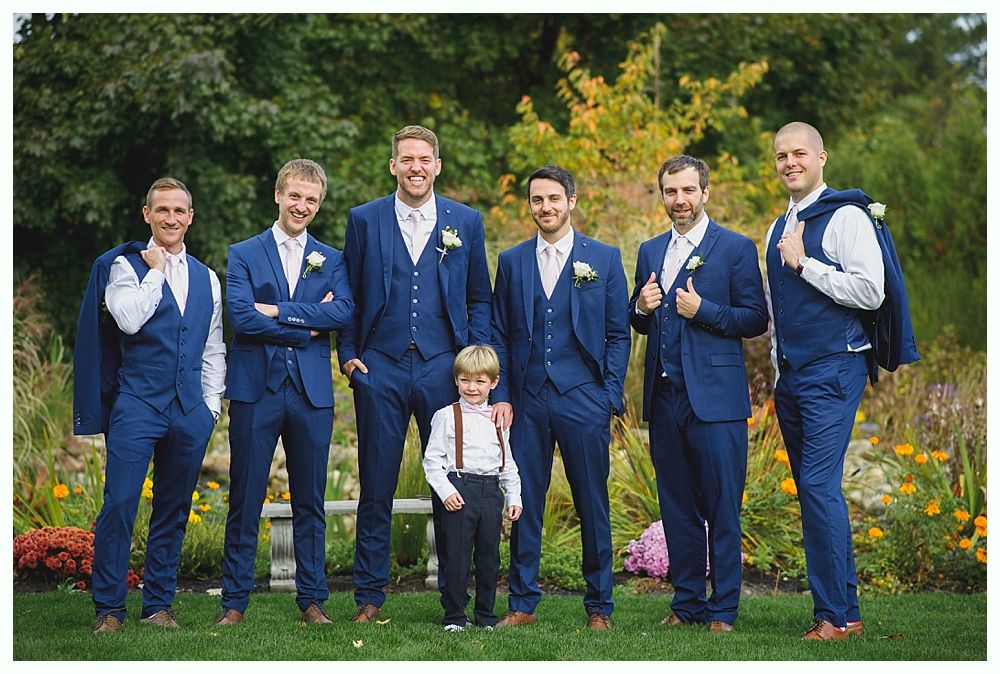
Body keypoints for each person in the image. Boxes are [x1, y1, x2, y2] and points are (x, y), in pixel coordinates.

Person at [337, 125, 493, 622]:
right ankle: (368, 596)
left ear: (437, 165)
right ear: (393, 166)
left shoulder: (464, 221)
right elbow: (350, 293)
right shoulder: (364, 219)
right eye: (406, 159)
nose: (416, 167)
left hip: (443, 367)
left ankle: (453, 602)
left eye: (424, 159)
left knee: (451, 484)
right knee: (375, 483)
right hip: (379, 365)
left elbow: (478, 297)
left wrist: (475, 361)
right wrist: (348, 353)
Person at [629, 155, 768, 633]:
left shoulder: (733, 248)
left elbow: (754, 319)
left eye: (688, 190)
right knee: (677, 507)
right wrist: (640, 309)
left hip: (716, 400)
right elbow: (640, 318)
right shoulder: (649, 250)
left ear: (705, 193)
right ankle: (686, 604)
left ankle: (723, 609)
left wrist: (704, 309)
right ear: (662, 195)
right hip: (664, 400)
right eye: (671, 191)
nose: (679, 200)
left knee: (723, 505)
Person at [491, 164, 630, 631]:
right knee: (523, 500)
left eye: (553, 198)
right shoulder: (511, 261)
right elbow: (501, 335)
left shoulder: (605, 259)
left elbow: (617, 334)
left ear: (572, 200)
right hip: (527, 402)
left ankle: (599, 607)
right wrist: (504, 394)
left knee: (592, 502)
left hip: (584, 399)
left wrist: (608, 395)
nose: (545, 207)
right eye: (537, 200)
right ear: (529, 205)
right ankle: (523, 602)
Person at [218, 159, 354, 625]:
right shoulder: (244, 252)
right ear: (278, 194)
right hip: (256, 390)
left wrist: (276, 311)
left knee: (310, 500)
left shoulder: (332, 258)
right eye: (295, 196)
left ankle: (313, 600)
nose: (302, 206)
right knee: (245, 496)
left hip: (311, 394)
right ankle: (234, 602)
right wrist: (305, 324)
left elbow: (343, 315)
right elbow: (240, 316)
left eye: (311, 200)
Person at [89, 178, 226, 633]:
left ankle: (157, 606)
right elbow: (128, 320)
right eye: (162, 210)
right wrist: (156, 270)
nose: (171, 218)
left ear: (191, 217)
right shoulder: (124, 266)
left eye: (179, 211)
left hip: (190, 409)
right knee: (120, 504)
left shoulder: (208, 277)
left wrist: (210, 407)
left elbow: (212, 347)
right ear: (147, 214)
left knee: (173, 508)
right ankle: (108, 608)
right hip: (138, 404)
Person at [765, 122, 885, 640]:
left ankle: (840, 617)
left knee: (817, 484)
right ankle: (837, 612)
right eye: (780, 156)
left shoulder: (846, 216)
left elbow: (870, 291)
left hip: (835, 367)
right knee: (813, 490)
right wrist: (776, 370)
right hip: (792, 376)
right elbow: (778, 309)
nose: (789, 162)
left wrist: (804, 263)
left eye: (798, 153)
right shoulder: (777, 225)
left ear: (821, 157)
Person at [422, 345, 522, 631]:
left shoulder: (499, 420)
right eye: (465, 380)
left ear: (494, 382)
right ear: (456, 380)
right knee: (457, 557)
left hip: (491, 493)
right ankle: (454, 616)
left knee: (489, 558)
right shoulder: (446, 416)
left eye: (480, 381)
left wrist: (514, 496)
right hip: (459, 489)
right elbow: (432, 461)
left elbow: (507, 462)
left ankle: (486, 616)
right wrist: (446, 491)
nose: (472, 387)